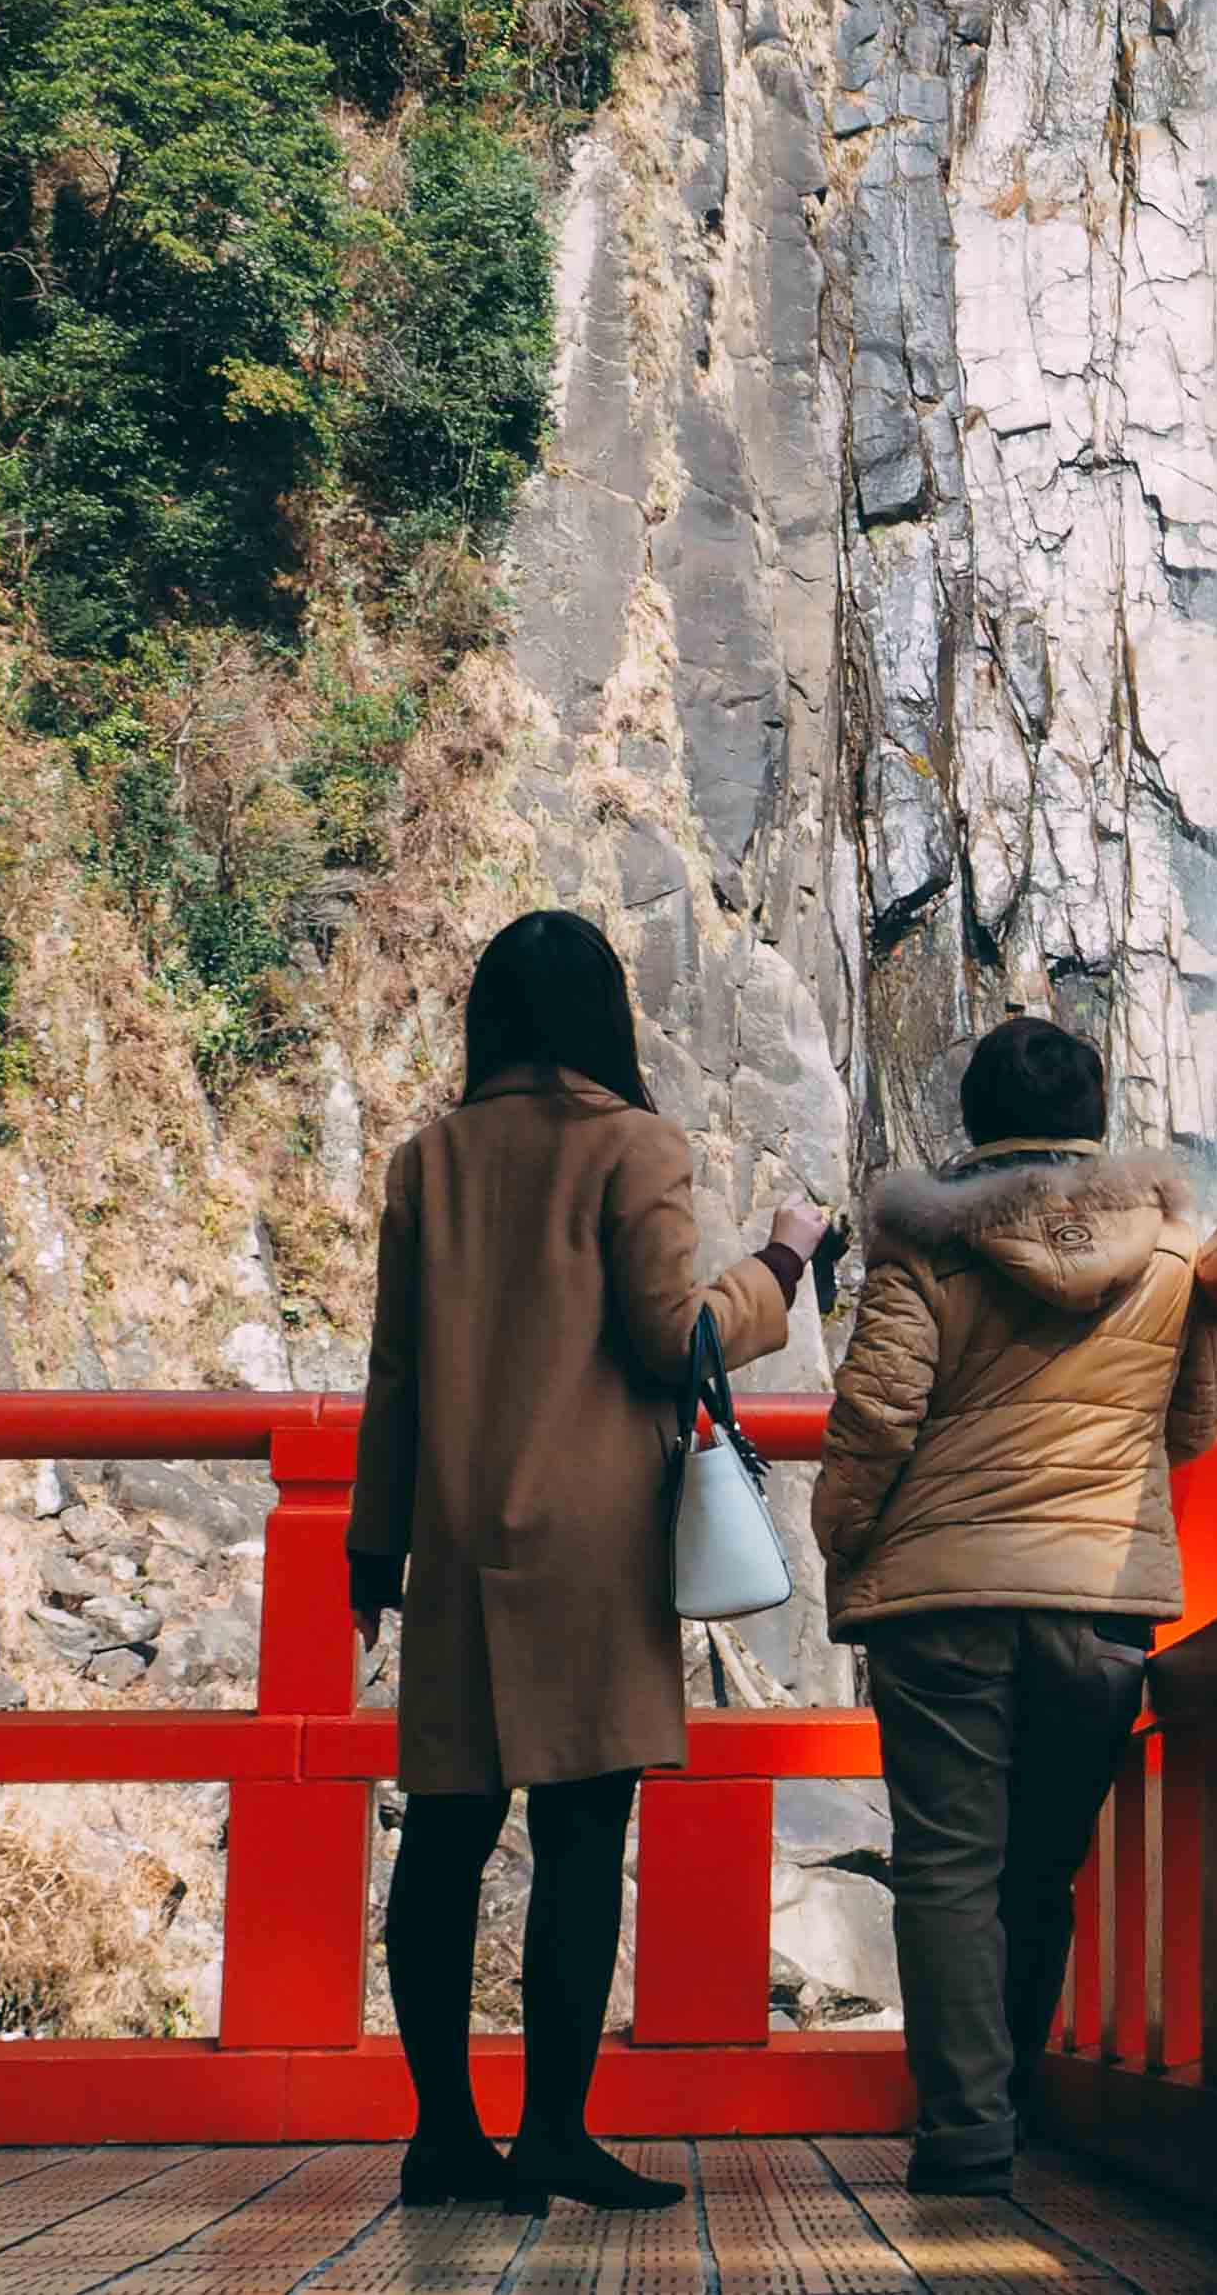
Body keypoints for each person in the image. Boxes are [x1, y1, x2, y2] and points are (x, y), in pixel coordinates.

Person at [348, 908, 833, 2214]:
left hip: (453, 1539)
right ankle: (553, 2130)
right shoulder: (635, 1149)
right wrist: (782, 1260)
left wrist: (371, 1542)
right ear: (604, 1018)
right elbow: (671, 1335)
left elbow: (393, 1372)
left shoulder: (426, 1165)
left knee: (444, 1842)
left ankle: (443, 2135)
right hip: (591, 1548)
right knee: (576, 1838)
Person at [813, 1013, 1217, 2197]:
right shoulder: (1169, 1253)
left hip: (941, 1605)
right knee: (1037, 1873)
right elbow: (1195, 1425)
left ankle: (968, 2132)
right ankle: (1020, 2101)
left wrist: (840, 1534)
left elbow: (878, 1418)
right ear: (1094, 1120)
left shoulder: (927, 1250)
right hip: (1097, 1606)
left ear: (978, 1124)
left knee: (946, 1866)